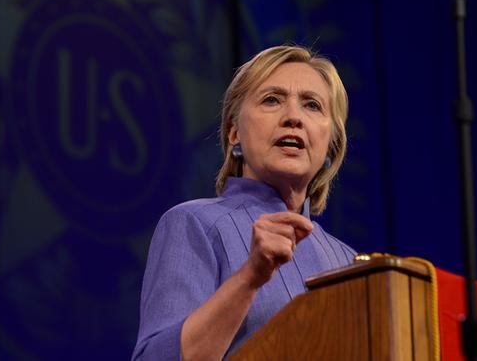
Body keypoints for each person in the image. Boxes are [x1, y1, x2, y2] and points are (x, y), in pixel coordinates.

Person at [132, 45, 356, 360]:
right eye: (272, 100)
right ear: (234, 133)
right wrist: (251, 276)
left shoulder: (350, 262)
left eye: (312, 105)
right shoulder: (195, 223)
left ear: (331, 143)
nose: (293, 117)